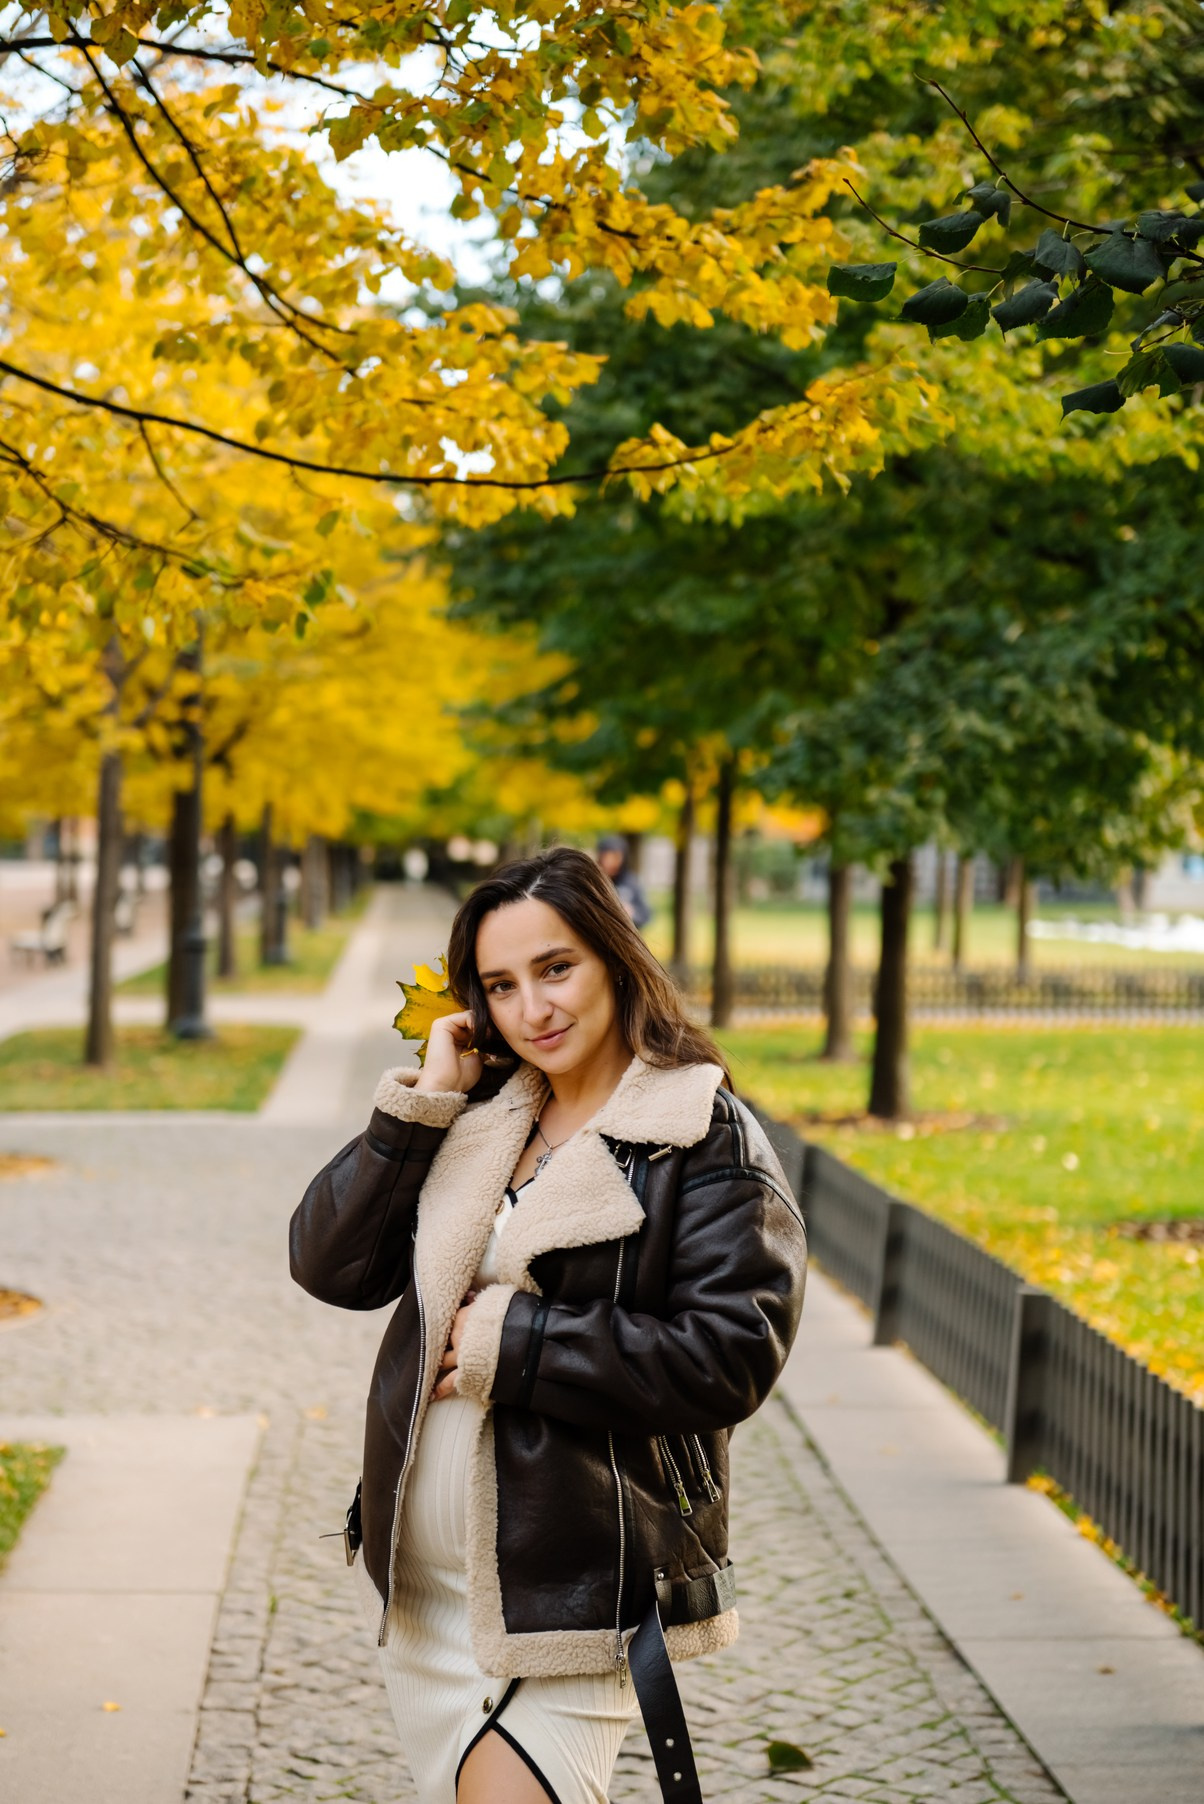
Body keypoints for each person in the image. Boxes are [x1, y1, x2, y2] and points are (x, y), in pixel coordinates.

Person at [290, 847, 807, 1804]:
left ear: (614, 958)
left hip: (567, 1608)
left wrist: (515, 1344)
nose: (536, 1007)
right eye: (501, 984)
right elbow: (331, 1265)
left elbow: (731, 1356)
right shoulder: (482, 1113)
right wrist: (423, 1106)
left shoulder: (701, 1136)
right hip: (428, 1608)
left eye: (556, 967)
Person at [596, 832, 652, 929]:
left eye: (614, 857)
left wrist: (631, 912)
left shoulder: (630, 882)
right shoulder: (595, 880)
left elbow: (645, 915)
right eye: (606, 857)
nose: (609, 862)